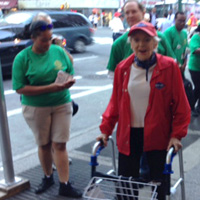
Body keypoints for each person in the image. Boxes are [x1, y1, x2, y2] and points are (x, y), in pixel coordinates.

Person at [97, 21, 191, 200]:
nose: (141, 45)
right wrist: (105, 130)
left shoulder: (169, 66)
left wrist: (176, 135)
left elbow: (181, 105)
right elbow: (114, 104)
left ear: (155, 43)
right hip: (128, 134)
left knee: (158, 185)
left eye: (147, 40)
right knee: (126, 185)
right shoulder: (123, 68)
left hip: (158, 134)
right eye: (136, 40)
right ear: (130, 43)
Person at [12, 20, 82, 198]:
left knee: (60, 144)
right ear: (33, 38)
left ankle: (64, 184)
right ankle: (48, 176)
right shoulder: (22, 58)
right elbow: (19, 87)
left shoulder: (58, 51)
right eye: (43, 40)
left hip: (62, 103)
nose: (48, 43)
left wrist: (68, 81)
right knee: (44, 144)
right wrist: (50, 88)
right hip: (36, 107)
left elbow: (69, 69)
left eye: (50, 39)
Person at [107, 0, 175, 78]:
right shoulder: (118, 44)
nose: (130, 15)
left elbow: (172, 65)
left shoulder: (159, 37)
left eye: (134, 11)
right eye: (127, 13)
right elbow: (112, 75)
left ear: (143, 13)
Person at [164, 11, 188, 78]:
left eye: (184, 21)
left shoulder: (184, 33)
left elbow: (186, 49)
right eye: (180, 21)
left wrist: (184, 63)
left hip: (181, 67)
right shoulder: (168, 32)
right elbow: (169, 51)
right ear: (175, 20)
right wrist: (178, 65)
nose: (182, 23)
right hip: (170, 66)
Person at [188, 24, 200, 116]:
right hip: (195, 67)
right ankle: (190, 107)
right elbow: (196, 50)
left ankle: (198, 107)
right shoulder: (195, 37)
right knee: (198, 88)